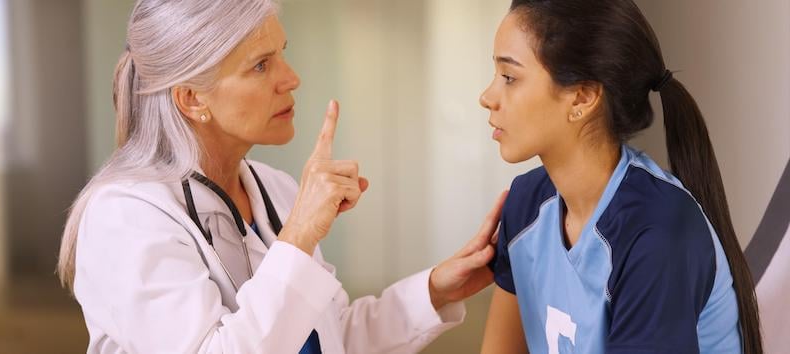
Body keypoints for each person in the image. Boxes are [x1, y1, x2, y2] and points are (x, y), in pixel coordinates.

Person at [56, 1, 504, 352]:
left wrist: (433, 292)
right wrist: (299, 235)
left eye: (282, 56)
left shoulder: (275, 189)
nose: (291, 79)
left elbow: (326, 339)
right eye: (260, 65)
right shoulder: (125, 217)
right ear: (192, 99)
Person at [479, 0, 762, 353]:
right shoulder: (524, 205)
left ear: (582, 97)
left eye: (509, 77)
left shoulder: (655, 232)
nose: (487, 97)